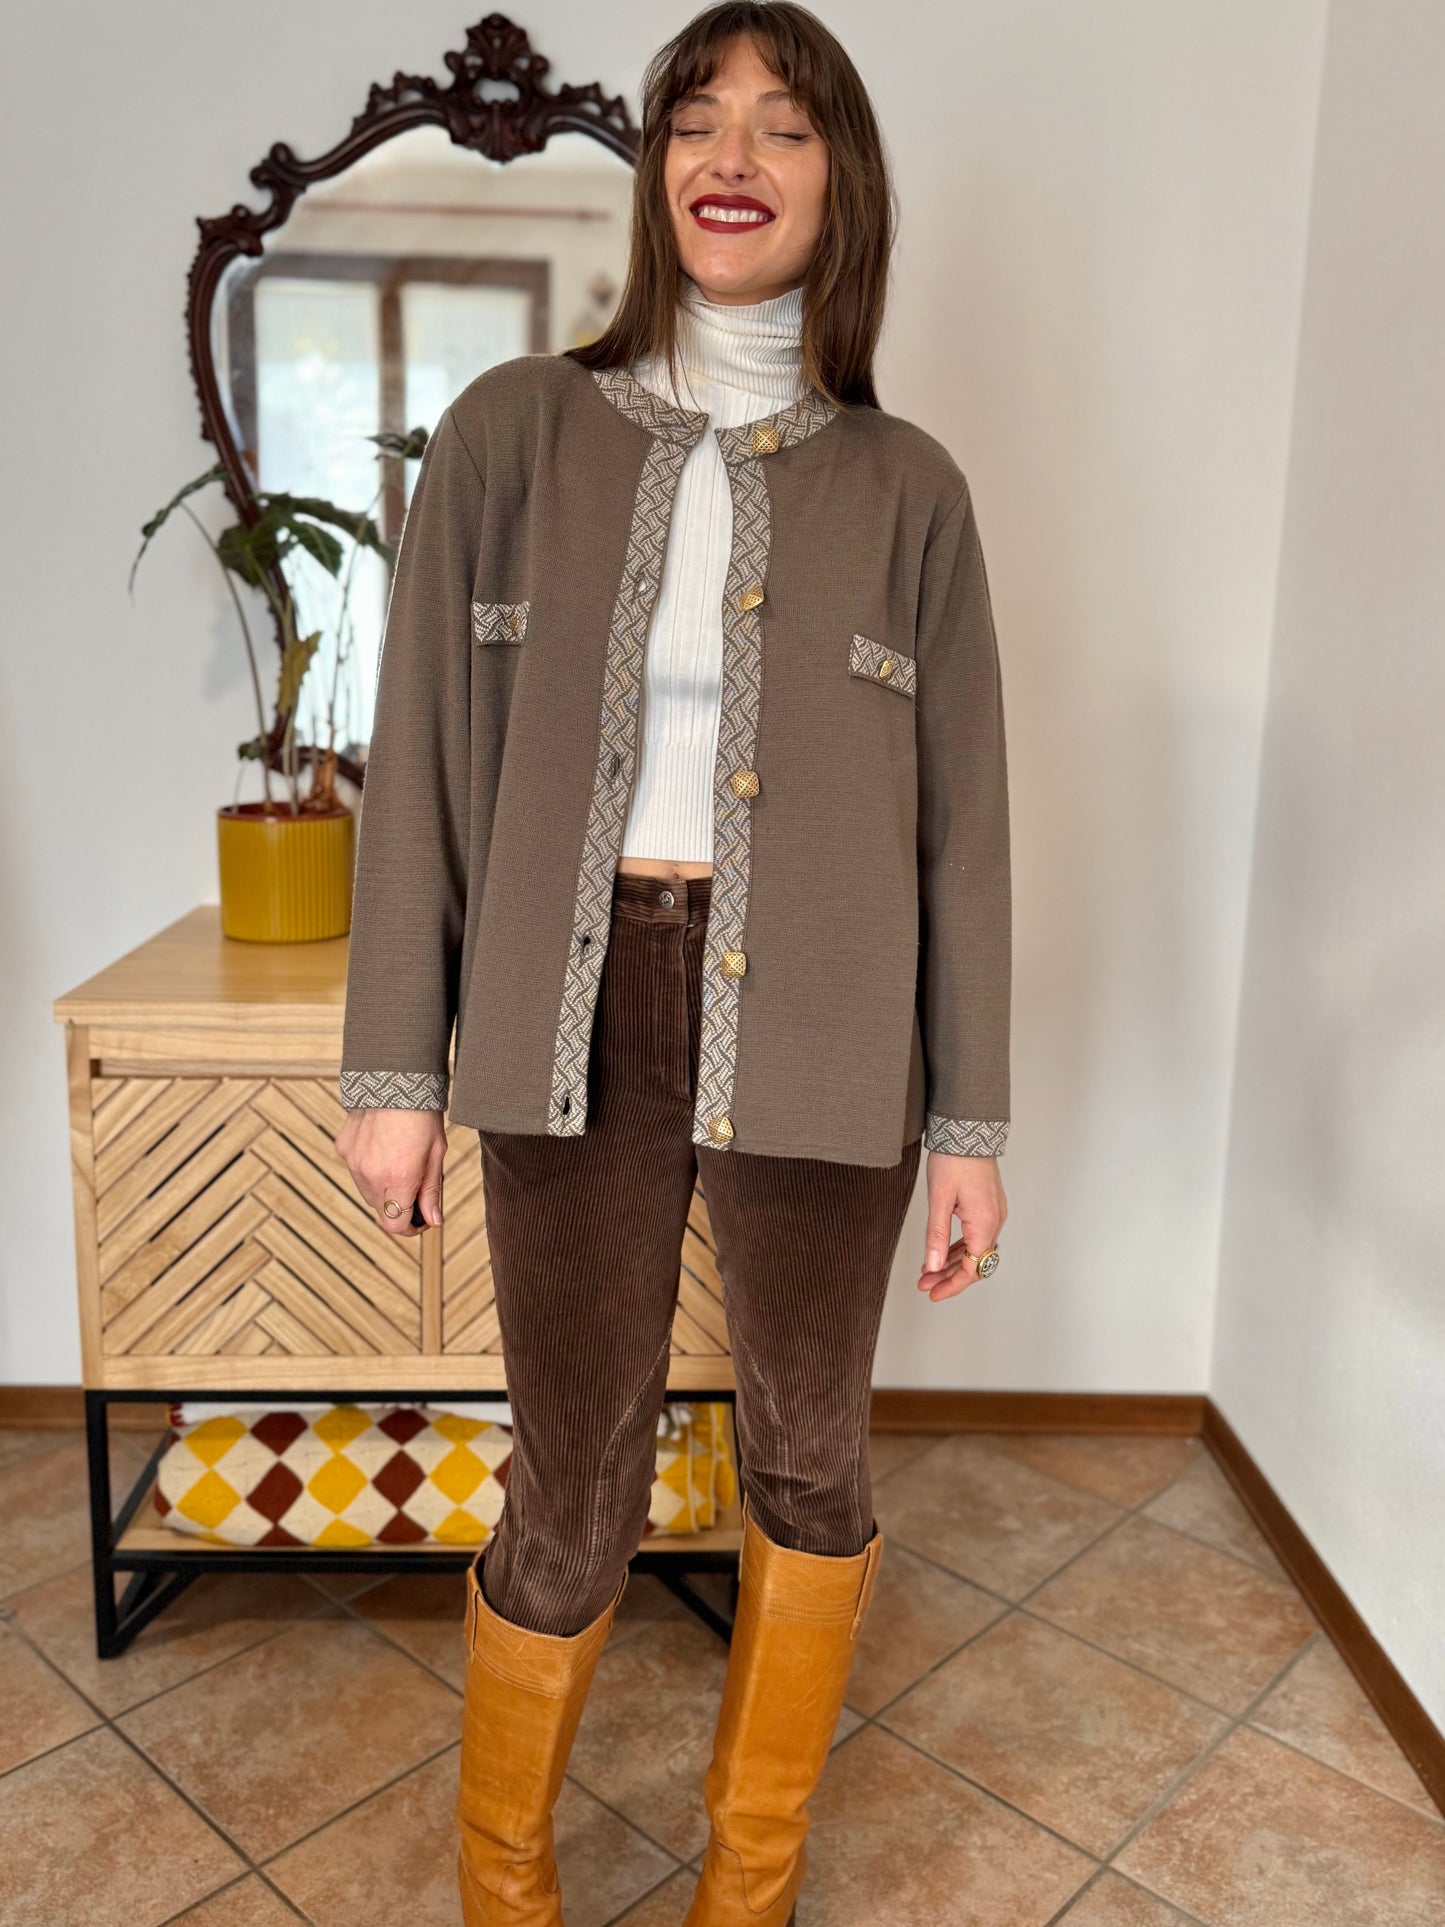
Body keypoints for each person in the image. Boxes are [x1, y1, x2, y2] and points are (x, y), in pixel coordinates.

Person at [334, 3, 1010, 1920]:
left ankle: (748, 1885)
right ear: (654, 175)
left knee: (811, 1459)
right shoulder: (510, 433)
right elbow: (424, 783)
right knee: (572, 1482)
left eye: (782, 127)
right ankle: (504, 1885)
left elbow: (967, 834)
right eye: (695, 120)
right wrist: (395, 1076)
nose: (731, 153)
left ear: (838, 184)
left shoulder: (911, 490)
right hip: (572, 1012)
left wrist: (968, 1121)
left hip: (826, 1015)